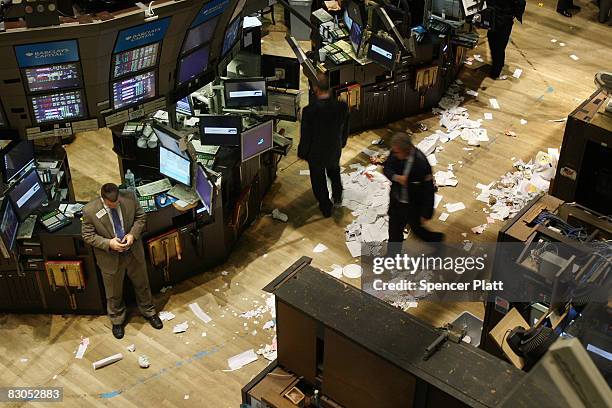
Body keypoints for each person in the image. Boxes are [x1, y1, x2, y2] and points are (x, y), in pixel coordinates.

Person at [82, 183, 162, 339]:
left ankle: (149, 311)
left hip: (133, 253)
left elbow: (141, 217)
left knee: (142, 285)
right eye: (112, 204)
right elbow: (88, 236)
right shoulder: (90, 211)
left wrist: (132, 234)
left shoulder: (129, 197)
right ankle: (117, 320)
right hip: (110, 258)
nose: (116, 204)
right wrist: (109, 243)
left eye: (117, 201)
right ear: (103, 200)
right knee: (113, 293)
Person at [383, 132, 444, 256]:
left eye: (397, 152)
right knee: (394, 231)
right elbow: (387, 168)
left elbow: (428, 190)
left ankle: (437, 240)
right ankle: (392, 256)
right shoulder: (395, 153)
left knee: (417, 230)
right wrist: (396, 177)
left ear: (406, 150)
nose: (394, 154)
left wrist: (426, 213)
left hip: (414, 205)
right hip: (397, 201)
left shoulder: (421, 163)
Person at [298, 73, 349, 217]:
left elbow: (306, 136)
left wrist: (302, 153)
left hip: (316, 154)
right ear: (329, 88)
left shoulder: (309, 111)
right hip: (334, 149)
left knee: (318, 181)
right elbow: (346, 128)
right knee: (334, 173)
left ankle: (326, 207)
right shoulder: (342, 107)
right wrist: (342, 142)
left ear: (316, 89)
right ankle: (338, 197)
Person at [486, 0, 526, 79]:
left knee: (495, 42)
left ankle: (496, 69)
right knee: (499, 44)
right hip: (503, 18)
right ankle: (497, 67)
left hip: (496, 16)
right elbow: (521, 4)